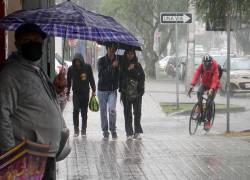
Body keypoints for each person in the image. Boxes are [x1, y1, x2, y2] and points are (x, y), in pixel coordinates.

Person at [0, 23, 65, 179]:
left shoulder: (36, 69)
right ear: (17, 44)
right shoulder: (11, 74)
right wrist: (11, 157)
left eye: (37, 39)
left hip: (45, 153)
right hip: (27, 157)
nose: (34, 43)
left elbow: (35, 102)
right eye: (27, 40)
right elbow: (2, 114)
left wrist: (56, 89)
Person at [66, 53, 96, 137]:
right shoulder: (71, 69)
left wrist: (94, 90)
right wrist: (67, 93)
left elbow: (91, 79)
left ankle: (83, 129)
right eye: (76, 62)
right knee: (75, 110)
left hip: (85, 94)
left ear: (82, 61)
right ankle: (76, 129)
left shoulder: (87, 67)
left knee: (84, 112)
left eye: (79, 62)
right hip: (75, 93)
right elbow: (68, 82)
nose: (77, 63)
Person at [187, 55, 220, 130]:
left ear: (211, 63)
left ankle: (208, 121)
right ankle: (199, 109)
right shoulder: (201, 66)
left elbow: (215, 79)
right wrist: (192, 85)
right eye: (205, 65)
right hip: (204, 84)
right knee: (199, 92)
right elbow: (196, 75)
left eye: (208, 65)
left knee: (209, 102)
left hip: (214, 86)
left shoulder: (215, 66)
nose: (206, 67)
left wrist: (211, 89)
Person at [119, 49, 145, 140]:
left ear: (134, 54)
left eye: (132, 54)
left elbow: (142, 77)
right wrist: (128, 69)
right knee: (127, 113)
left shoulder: (138, 65)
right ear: (125, 55)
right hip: (126, 93)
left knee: (137, 112)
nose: (130, 56)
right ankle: (129, 132)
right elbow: (120, 77)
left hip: (137, 93)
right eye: (128, 54)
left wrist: (133, 69)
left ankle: (137, 132)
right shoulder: (122, 65)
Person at [97, 43, 120, 140]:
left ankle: (113, 129)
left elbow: (120, 75)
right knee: (103, 112)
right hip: (102, 90)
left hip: (112, 90)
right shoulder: (101, 61)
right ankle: (105, 131)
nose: (112, 52)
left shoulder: (118, 60)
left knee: (112, 110)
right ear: (107, 49)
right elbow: (101, 74)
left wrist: (118, 67)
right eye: (111, 49)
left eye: (114, 50)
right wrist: (112, 66)